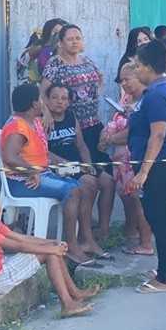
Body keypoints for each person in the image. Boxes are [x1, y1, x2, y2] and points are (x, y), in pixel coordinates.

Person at [0, 82, 107, 267]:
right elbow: (10, 157)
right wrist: (32, 170)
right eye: (41, 99)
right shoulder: (17, 126)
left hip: (41, 174)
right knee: (72, 190)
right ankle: (72, 246)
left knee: (80, 186)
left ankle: (85, 240)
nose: (43, 102)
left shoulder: (33, 122)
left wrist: (58, 167)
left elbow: (41, 154)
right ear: (35, 104)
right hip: (21, 182)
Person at [0, 185, 98, 317]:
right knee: (49, 253)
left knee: (49, 250)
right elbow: (20, 246)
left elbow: (21, 238)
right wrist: (52, 249)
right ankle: (68, 303)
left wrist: (51, 242)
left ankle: (74, 293)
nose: (0, 206)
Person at [129, 40, 166, 293]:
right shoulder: (156, 90)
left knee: (159, 220)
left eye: (138, 66)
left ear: (149, 67)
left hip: (160, 167)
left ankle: (164, 279)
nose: (135, 71)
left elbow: (158, 136)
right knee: (158, 218)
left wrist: (144, 171)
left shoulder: (159, 94)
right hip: (157, 164)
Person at [40, 24, 112, 183]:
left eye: (78, 38)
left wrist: (96, 91)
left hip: (94, 123)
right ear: (60, 43)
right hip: (73, 127)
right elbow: (42, 93)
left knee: (104, 172)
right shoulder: (55, 64)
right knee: (85, 176)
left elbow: (100, 76)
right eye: (70, 39)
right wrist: (46, 113)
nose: (75, 42)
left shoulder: (87, 61)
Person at [44, 83, 116, 242]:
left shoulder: (70, 117)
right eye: (55, 98)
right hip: (58, 168)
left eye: (64, 98)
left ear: (69, 102)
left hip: (78, 165)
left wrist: (88, 163)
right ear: (47, 100)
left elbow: (81, 145)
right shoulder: (43, 122)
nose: (59, 102)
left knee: (109, 182)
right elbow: (43, 150)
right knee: (89, 182)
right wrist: (65, 162)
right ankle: (84, 230)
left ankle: (103, 230)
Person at [97, 62, 154, 256]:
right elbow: (114, 120)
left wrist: (111, 139)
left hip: (133, 156)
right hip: (119, 156)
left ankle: (146, 242)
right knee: (126, 195)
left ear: (139, 78)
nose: (123, 83)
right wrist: (104, 136)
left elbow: (135, 131)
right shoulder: (125, 98)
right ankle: (131, 230)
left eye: (127, 79)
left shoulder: (145, 102)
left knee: (138, 198)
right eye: (121, 80)